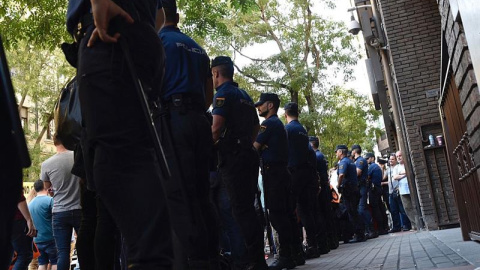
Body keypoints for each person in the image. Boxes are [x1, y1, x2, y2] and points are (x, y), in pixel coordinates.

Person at [70, 0, 174, 267]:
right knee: (134, 169)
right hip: (136, 35)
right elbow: (160, 15)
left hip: (111, 32)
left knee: (119, 166)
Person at [158, 1, 216, 268]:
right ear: (177, 16)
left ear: (157, 14)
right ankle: (210, 254)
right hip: (199, 121)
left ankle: (188, 259)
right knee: (202, 190)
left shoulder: (158, 42)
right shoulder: (198, 48)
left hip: (174, 119)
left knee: (178, 191)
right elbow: (208, 96)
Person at [211, 56, 267, 270]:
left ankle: (248, 260)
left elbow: (216, 129)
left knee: (239, 211)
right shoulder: (244, 95)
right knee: (249, 210)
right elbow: (255, 125)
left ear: (216, 73)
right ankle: (257, 259)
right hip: (247, 155)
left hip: (233, 158)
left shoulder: (222, 94)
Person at [254, 94, 300, 269]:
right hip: (281, 172)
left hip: (273, 174)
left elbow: (255, 148)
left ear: (270, 105)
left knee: (277, 215)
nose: (258, 108)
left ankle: (286, 256)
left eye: (261, 105)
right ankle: (295, 254)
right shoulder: (279, 124)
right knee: (286, 215)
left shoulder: (269, 124)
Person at [283, 102, 319, 259]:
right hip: (306, 174)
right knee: (306, 211)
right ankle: (312, 245)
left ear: (285, 114)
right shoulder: (303, 131)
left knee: (291, 209)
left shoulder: (288, 129)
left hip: (294, 173)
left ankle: (296, 248)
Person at [40, 137, 81, 270]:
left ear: (54, 142)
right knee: (85, 248)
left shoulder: (47, 164)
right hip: (81, 209)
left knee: (62, 252)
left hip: (59, 212)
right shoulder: (78, 157)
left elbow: (47, 188)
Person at [309, 136, 337, 252]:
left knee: (321, 213)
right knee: (327, 214)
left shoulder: (315, 156)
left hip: (321, 188)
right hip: (325, 186)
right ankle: (332, 240)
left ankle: (326, 242)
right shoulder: (320, 155)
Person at [336, 145, 366, 243]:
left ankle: (359, 234)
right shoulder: (351, 162)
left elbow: (341, 175)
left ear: (340, 152)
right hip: (354, 189)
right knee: (354, 212)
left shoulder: (344, 162)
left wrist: (338, 185)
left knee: (352, 212)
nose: (336, 153)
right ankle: (360, 233)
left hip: (349, 190)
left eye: (337, 151)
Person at [28, 180, 58, 270]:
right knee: (55, 262)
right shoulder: (50, 200)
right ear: (45, 187)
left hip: (37, 240)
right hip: (50, 237)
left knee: (42, 263)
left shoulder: (30, 204)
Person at [351, 145, 376, 239]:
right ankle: (368, 230)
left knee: (362, 209)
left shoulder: (360, 160)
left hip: (362, 186)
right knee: (361, 208)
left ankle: (371, 229)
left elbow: (358, 172)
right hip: (359, 187)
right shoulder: (356, 161)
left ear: (354, 151)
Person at [9, 191, 36, 270]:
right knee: (25, 255)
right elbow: (18, 196)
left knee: (8, 256)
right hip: (16, 221)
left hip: (6, 221)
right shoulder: (10, 179)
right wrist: (29, 219)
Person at [365, 153, 388, 235]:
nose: (367, 160)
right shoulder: (376, 167)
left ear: (372, 158)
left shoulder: (372, 167)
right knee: (380, 207)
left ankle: (380, 228)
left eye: (368, 158)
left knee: (376, 209)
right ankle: (384, 227)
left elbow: (366, 177)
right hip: (377, 189)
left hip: (373, 190)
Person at [387, 154, 409, 233]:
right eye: (390, 159)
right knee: (393, 210)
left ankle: (406, 225)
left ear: (396, 160)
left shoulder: (398, 168)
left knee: (402, 209)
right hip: (391, 192)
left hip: (398, 190)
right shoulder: (388, 169)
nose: (391, 161)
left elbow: (396, 177)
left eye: (392, 159)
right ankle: (396, 227)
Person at [395, 151, 417, 231]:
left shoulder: (408, 164)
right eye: (397, 156)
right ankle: (414, 224)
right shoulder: (396, 167)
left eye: (400, 155)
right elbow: (395, 177)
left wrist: (401, 173)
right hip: (403, 190)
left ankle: (419, 223)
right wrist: (405, 174)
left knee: (415, 205)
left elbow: (410, 172)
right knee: (407, 208)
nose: (399, 157)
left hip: (411, 188)